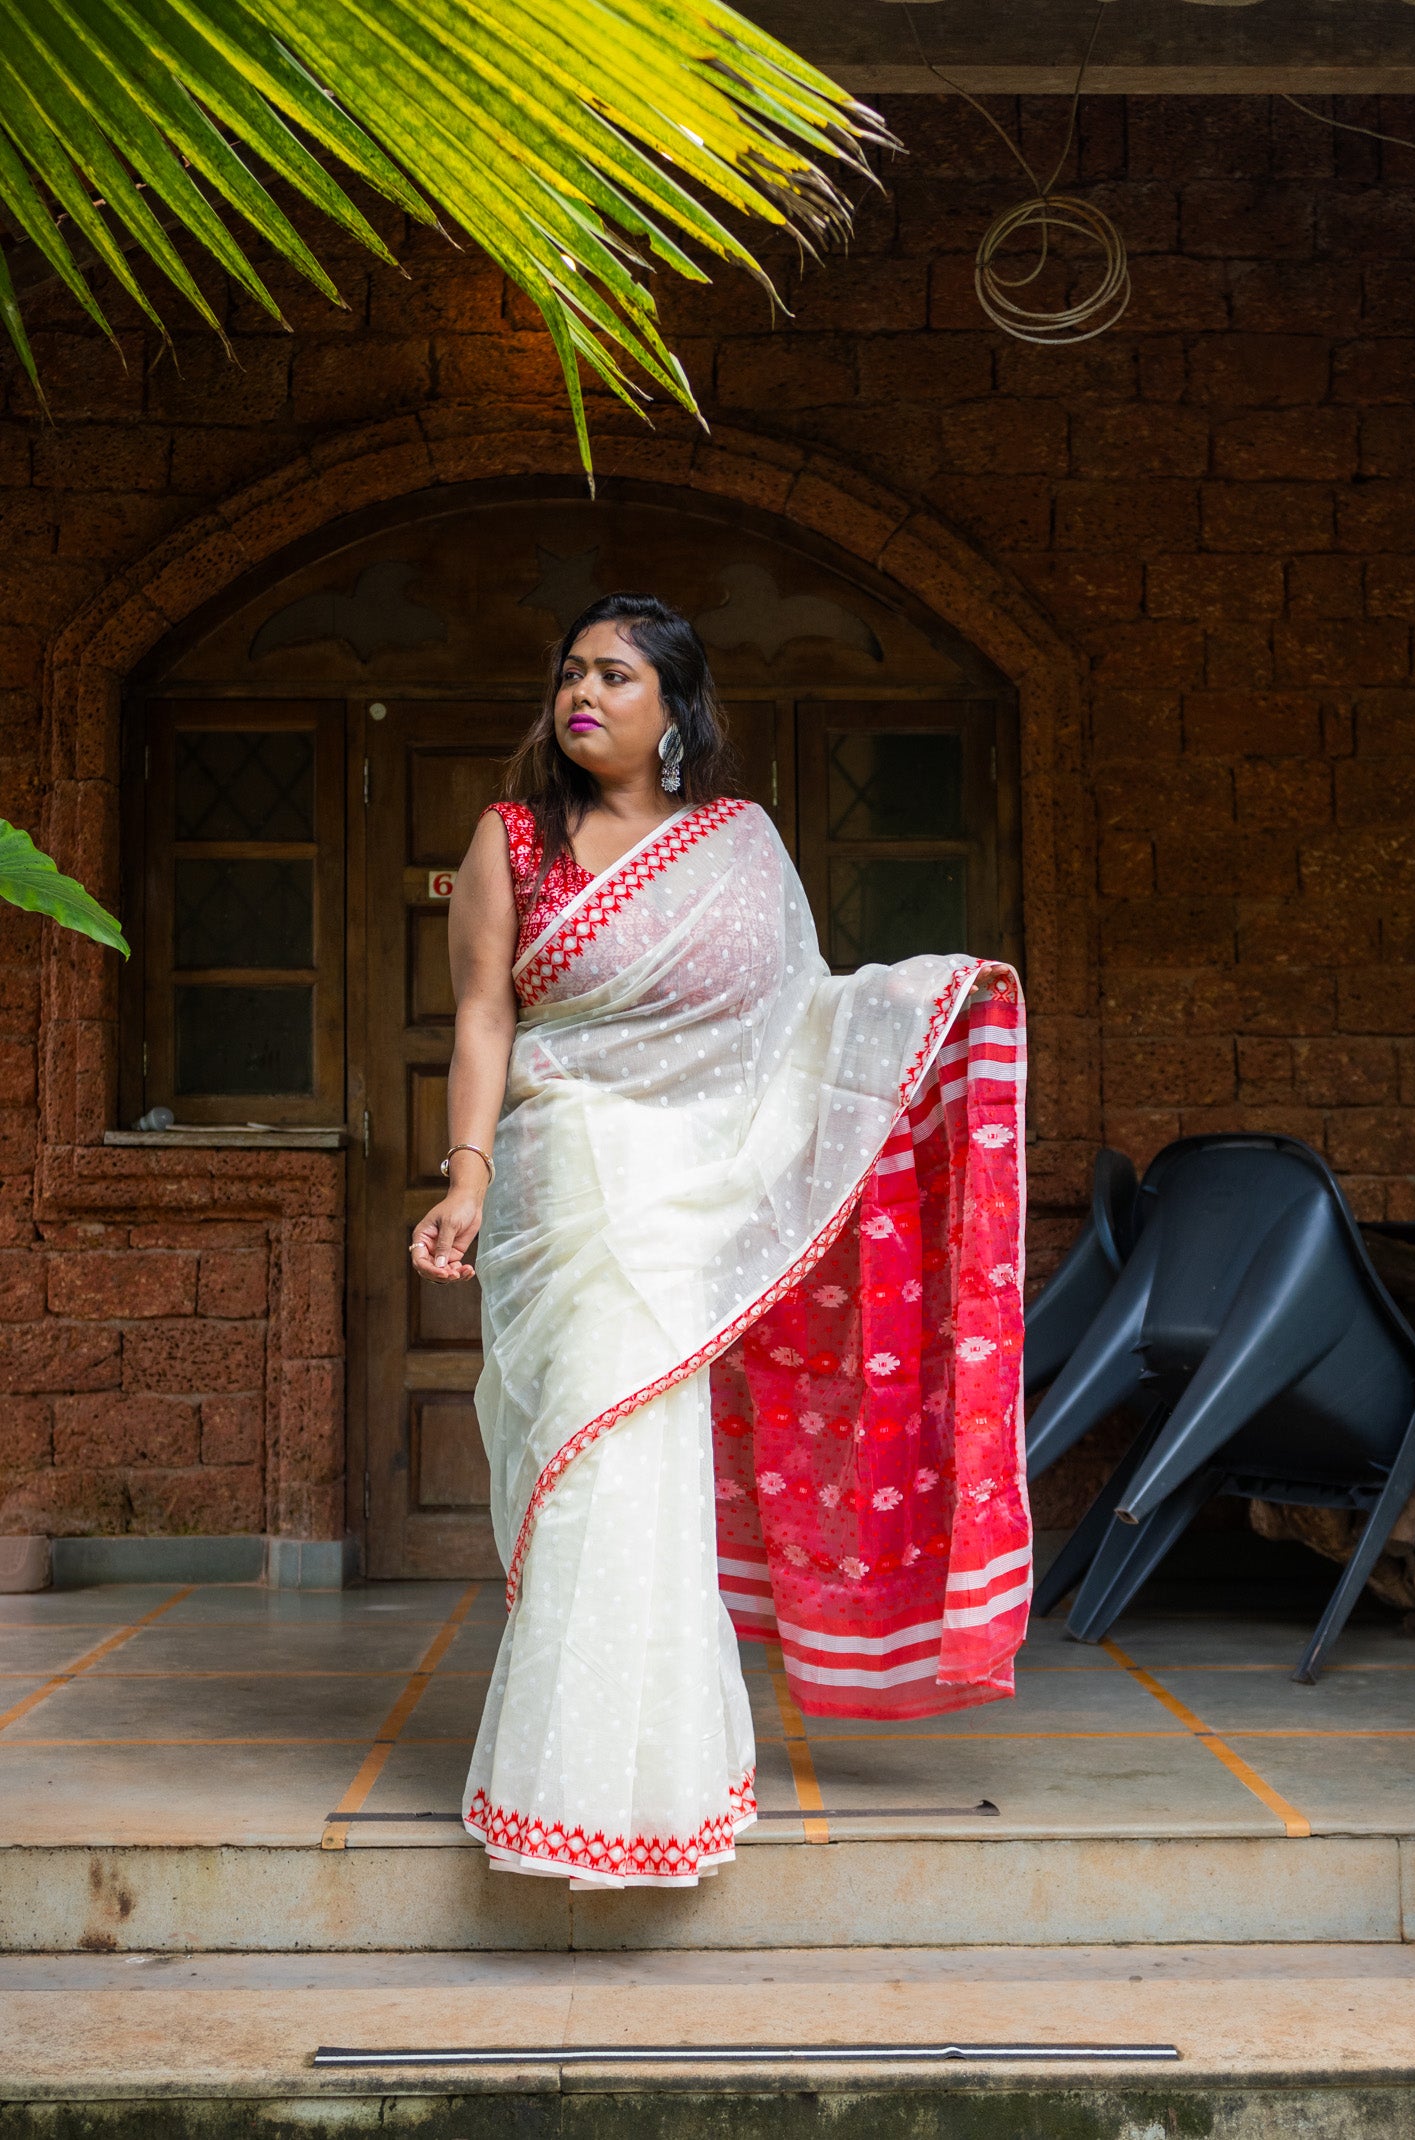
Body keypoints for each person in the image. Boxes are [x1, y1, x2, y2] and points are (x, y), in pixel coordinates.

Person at [411, 592, 1029, 1890]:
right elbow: (482, 1020)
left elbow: (797, 1015)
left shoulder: (737, 844)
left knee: (649, 1468)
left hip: (683, 1198)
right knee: (586, 1459)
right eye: (571, 671)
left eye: (617, 675)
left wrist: (917, 1006)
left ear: (676, 709)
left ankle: (660, 1785)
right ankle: (562, 1787)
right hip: (565, 1170)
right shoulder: (512, 841)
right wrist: (464, 1180)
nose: (584, 693)